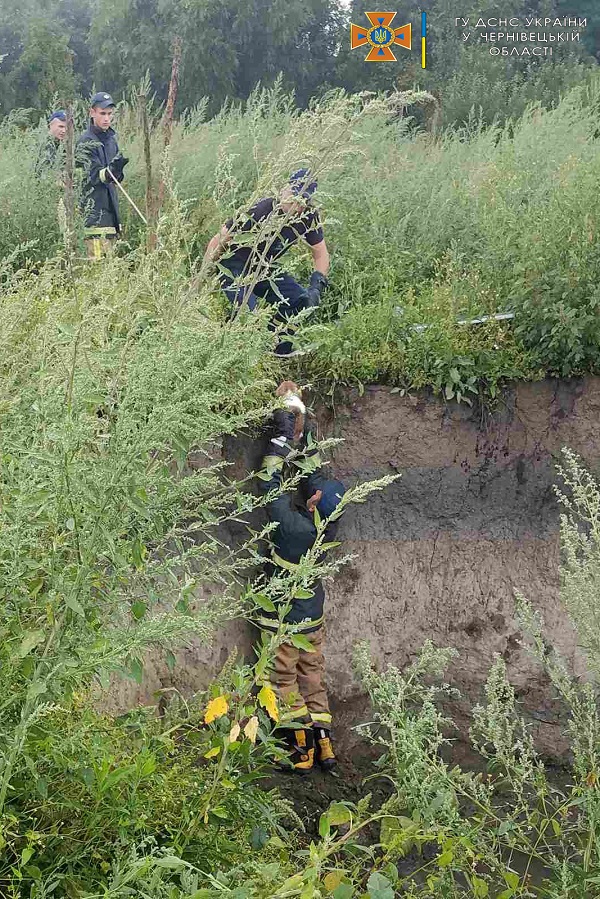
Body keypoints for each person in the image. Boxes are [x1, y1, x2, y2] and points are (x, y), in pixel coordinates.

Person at [256, 381, 346, 773]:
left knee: (283, 681)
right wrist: (302, 425)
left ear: (311, 504)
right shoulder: (328, 523)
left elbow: (268, 486)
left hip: (286, 623)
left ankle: (299, 751)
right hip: (314, 620)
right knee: (313, 678)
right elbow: (314, 480)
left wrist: (279, 438)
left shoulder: (293, 530)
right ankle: (324, 745)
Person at [204, 169, 330, 355]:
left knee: (300, 301)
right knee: (249, 314)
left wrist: (317, 284)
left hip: (265, 268)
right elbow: (220, 239)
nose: (296, 205)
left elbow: (321, 253)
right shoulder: (261, 209)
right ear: (284, 190)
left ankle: (276, 352)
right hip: (233, 266)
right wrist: (203, 275)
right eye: (293, 196)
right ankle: (232, 349)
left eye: (302, 201)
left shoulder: (309, 216)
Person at [76, 92, 129, 259]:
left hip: (111, 217)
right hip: (94, 219)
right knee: (96, 269)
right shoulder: (85, 141)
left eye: (109, 114)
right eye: (102, 113)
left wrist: (118, 171)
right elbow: (92, 177)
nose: (107, 118)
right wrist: (110, 171)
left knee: (111, 269)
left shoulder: (111, 140)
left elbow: (115, 179)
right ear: (92, 113)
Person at [35, 110, 66, 176]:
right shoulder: (44, 144)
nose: (64, 131)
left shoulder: (63, 145)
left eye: (67, 127)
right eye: (61, 126)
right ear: (50, 126)